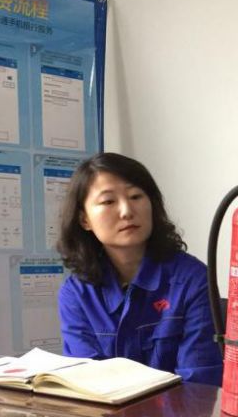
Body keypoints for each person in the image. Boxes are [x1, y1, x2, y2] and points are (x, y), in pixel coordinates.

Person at [57, 152, 222, 386]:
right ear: (84, 220)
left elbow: (198, 383)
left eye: (136, 196)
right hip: (107, 410)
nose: (126, 211)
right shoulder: (76, 293)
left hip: (180, 410)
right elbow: (87, 384)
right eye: (108, 201)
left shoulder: (192, 280)